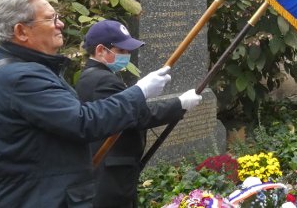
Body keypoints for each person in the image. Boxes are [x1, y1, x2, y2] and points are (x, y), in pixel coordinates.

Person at [0, 0, 172, 207]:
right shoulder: (20, 77)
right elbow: (82, 121)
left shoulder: (21, 69)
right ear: (22, 31)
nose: (60, 24)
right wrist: (140, 91)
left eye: (57, 17)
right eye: (50, 19)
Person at [75, 20, 202, 207]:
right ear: (101, 50)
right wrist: (179, 104)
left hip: (116, 168)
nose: (127, 55)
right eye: (122, 51)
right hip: (111, 173)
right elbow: (137, 116)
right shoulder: (101, 80)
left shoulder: (99, 76)